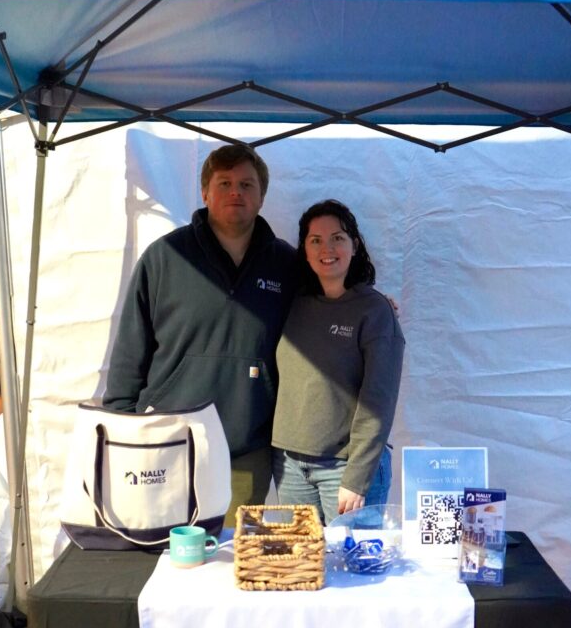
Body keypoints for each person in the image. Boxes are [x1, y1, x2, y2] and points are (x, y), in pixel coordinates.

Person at [103, 144, 296, 525]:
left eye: (246, 184)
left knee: (232, 561)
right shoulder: (166, 258)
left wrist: (369, 302)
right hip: (168, 441)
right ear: (205, 192)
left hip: (247, 446)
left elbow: (325, 311)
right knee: (169, 556)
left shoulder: (287, 264)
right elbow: (131, 347)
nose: (235, 192)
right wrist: (120, 425)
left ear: (262, 196)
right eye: (224, 183)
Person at [271, 200, 405, 525]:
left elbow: (379, 401)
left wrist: (356, 477)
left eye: (338, 238)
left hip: (346, 469)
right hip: (290, 467)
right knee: (304, 570)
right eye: (315, 239)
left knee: (354, 571)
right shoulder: (290, 303)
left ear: (354, 246)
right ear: (303, 249)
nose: (326, 248)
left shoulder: (374, 312)